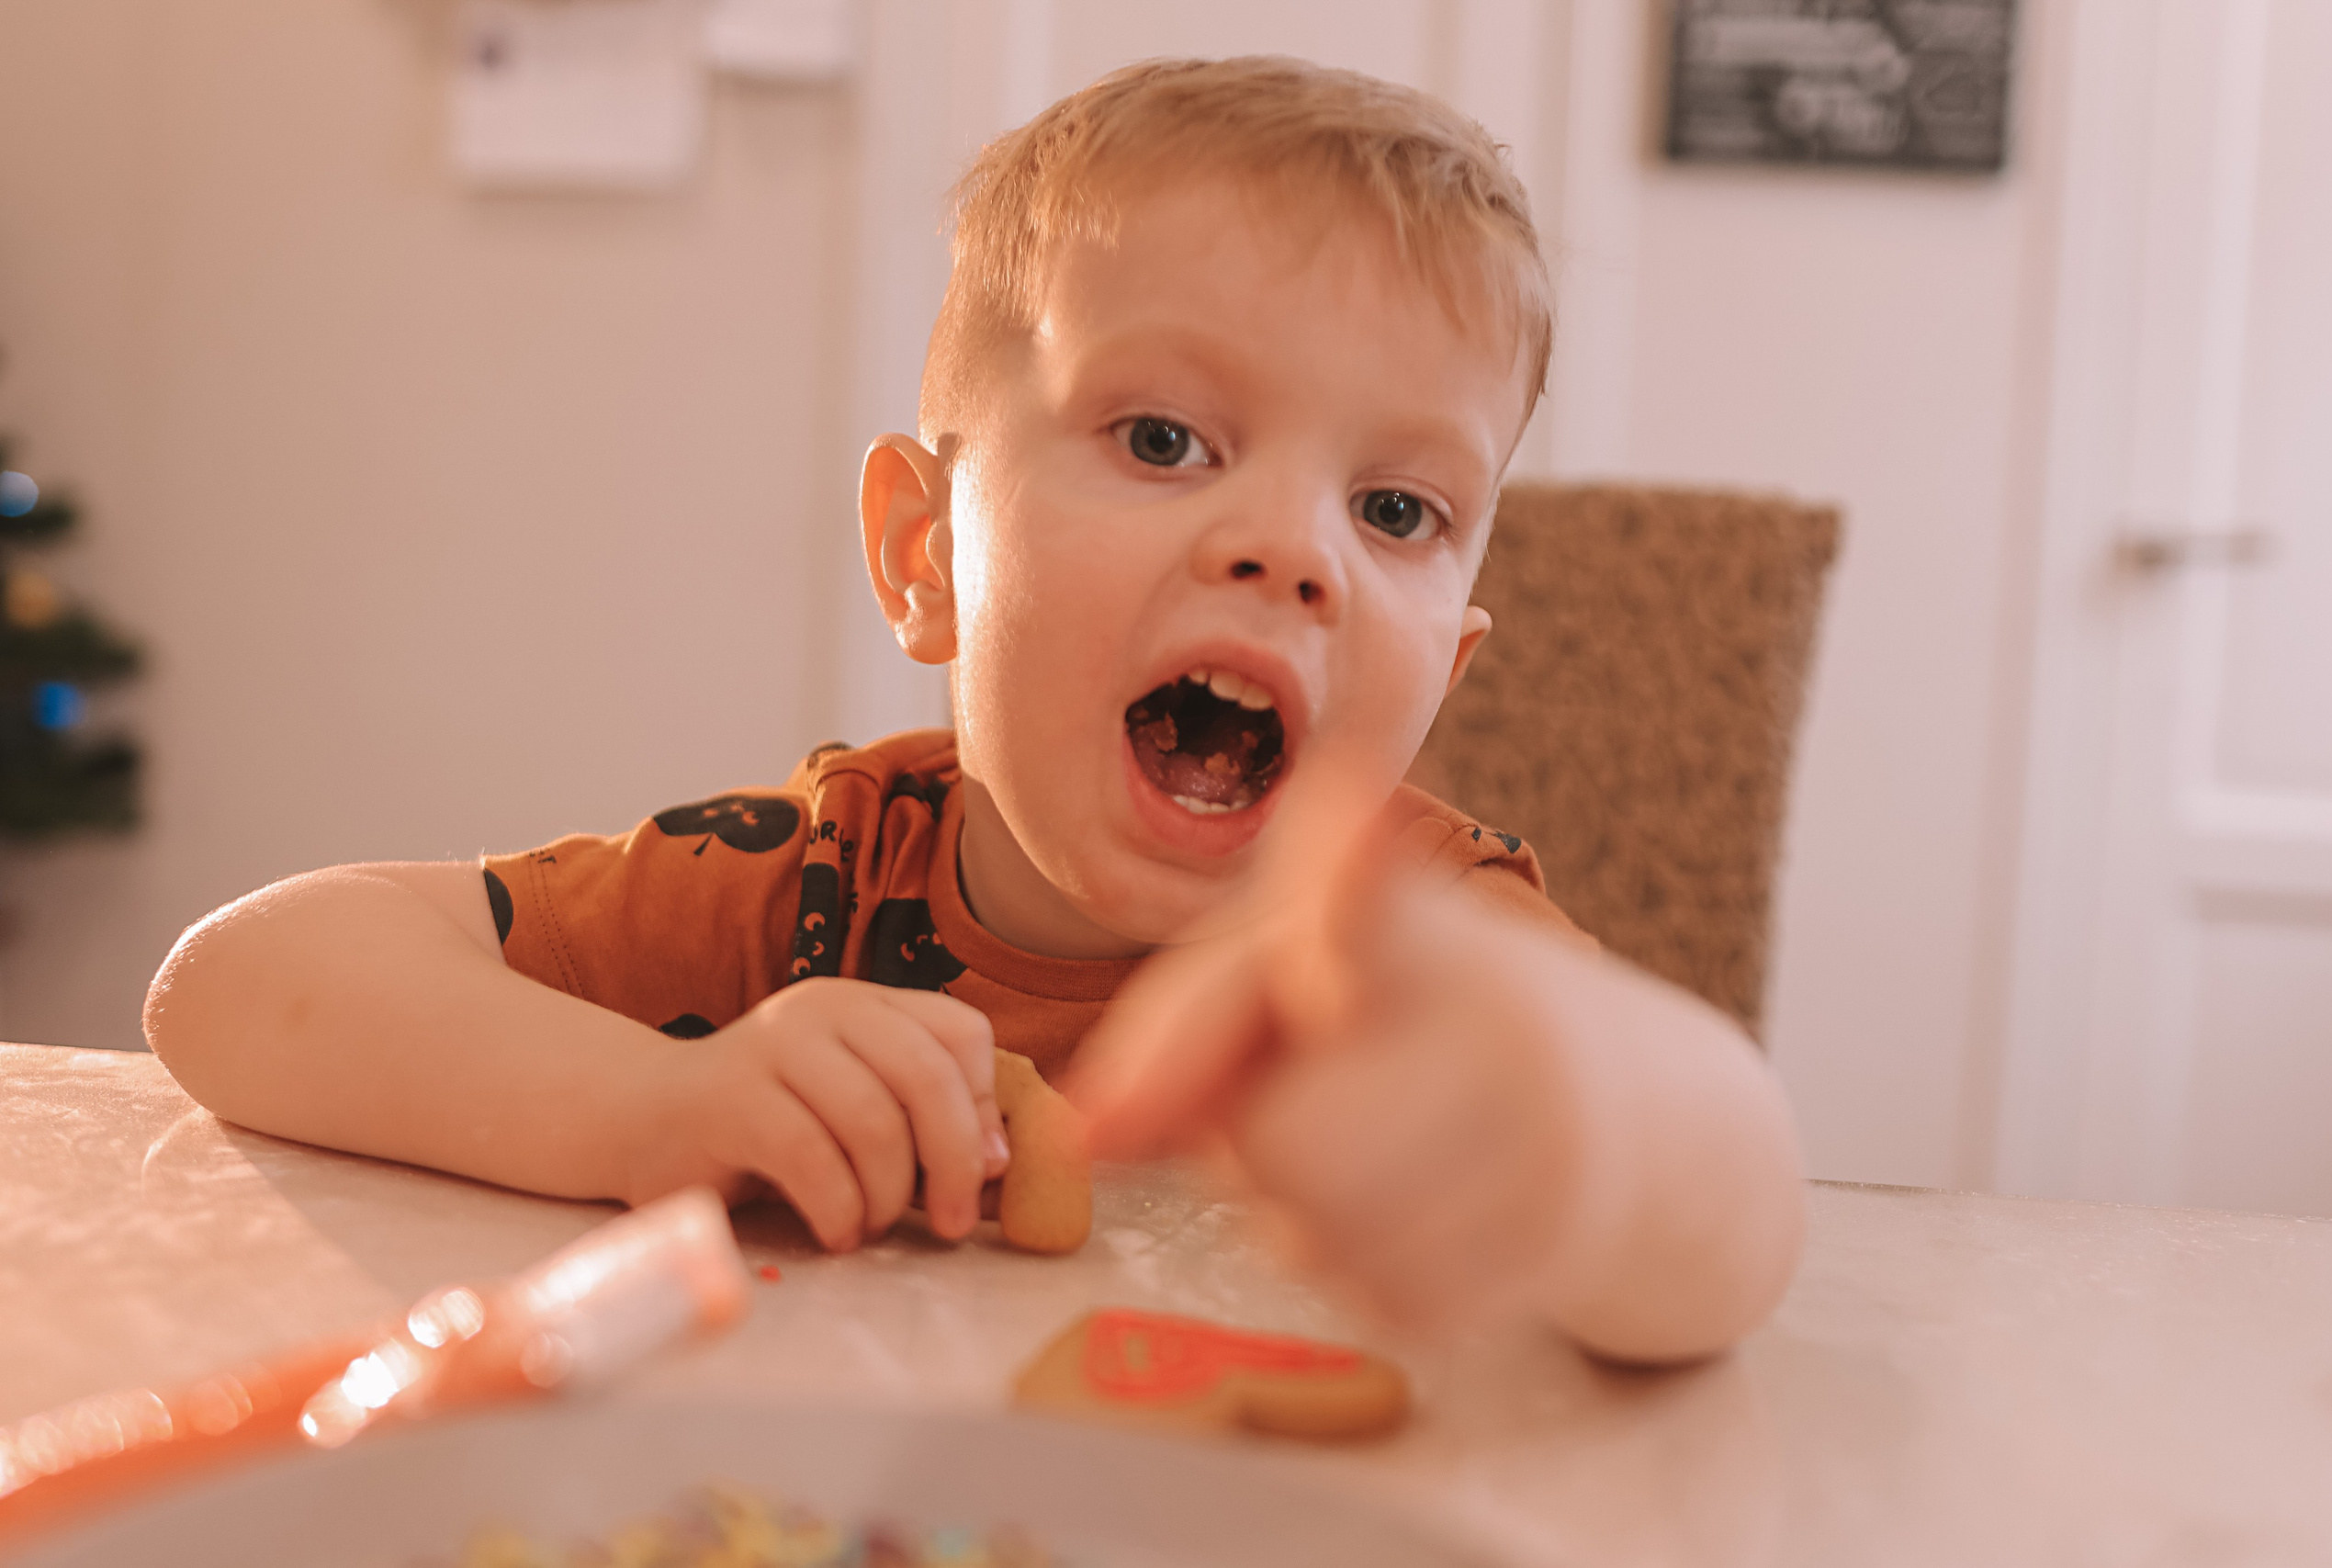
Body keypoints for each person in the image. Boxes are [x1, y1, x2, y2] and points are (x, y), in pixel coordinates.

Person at [145, 57, 1804, 1364]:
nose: (1293, 552)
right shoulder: (812, 879)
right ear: (925, 552)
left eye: (1395, 511)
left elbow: (1740, 1224)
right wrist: (664, 1110)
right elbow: (240, 985)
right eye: (1165, 441)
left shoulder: (1432, 944)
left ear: (1443, 675)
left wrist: (1591, 1127)